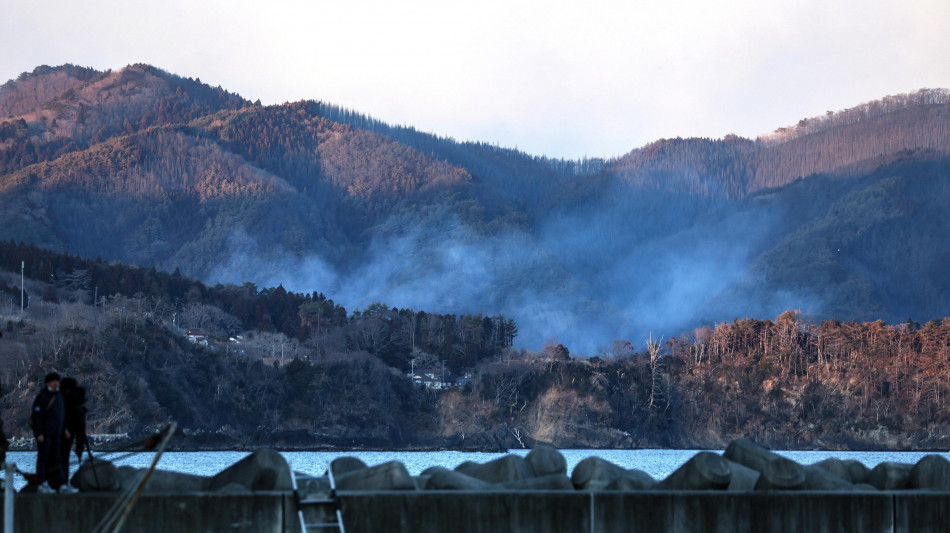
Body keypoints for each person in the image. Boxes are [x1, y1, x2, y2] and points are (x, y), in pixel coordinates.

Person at [31, 372, 77, 494]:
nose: (56, 383)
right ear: (48, 383)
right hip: (45, 434)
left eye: (57, 381)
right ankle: (42, 484)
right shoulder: (42, 397)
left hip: (56, 434)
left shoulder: (60, 396)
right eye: (53, 381)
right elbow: (37, 417)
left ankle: (61, 484)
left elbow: (62, 415)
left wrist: (65, 429)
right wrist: (39, 433)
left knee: (58, 460)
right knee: (43, 460)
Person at [60, 377, 88, 485]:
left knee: (57, 461)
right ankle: (64, 483)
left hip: (57, 434)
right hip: (71, 434)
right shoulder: (78, 402)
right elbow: (81, 431)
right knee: (64, 459)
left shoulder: (60, 400)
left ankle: (58, 484)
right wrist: (79, 449)